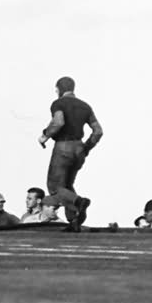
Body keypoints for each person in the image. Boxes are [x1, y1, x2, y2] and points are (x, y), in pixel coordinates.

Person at [39, 75, 102, 229]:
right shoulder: (85, 106)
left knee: (55, 188)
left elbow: (58, 122)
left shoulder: (58, 103)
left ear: (59, 89)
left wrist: (45, 136)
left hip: (63, 146)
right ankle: (73, 221)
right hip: (79, 148)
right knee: (67, 185)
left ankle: (79, 202)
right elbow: (98, 131)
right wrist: (86, 148)